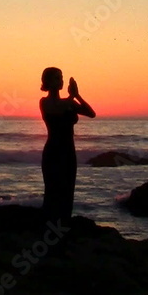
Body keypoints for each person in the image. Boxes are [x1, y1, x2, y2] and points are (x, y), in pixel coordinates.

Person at [39, 67, 95, 221]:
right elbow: (57, 109)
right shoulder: (44, 102)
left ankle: (63, 226)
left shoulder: (69, 102)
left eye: (61, 77)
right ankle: (48, 226)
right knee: (52, 190)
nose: (61, 81)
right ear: (47, 81)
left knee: (67, 190)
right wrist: (71, 97)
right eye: (57, 78)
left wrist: (77, 95)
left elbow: (91, 113)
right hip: (53, 151)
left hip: (68, 151)